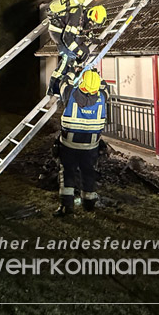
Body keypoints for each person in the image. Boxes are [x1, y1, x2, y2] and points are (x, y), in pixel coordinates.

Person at [54, 69, 109, 217]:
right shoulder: (103, 97)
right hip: (91, 147)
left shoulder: (70, 93)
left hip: (69, 145)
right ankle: (89, 204)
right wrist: (96, 75)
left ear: (82, 83)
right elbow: (104, 86)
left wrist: (74, 71)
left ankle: (67, 207)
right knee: (88, 172)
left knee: (67, 174)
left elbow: (64, 82)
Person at [47, 0, 107, 96]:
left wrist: (99, 41)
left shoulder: (84, 17)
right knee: (68, 56)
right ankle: (54, 87)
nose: (92, 25)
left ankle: (73, 71)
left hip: (66, 33)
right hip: (58, 32)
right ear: (91, 15)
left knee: (85, 51)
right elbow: (67, 38)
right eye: (93, 22)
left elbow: (88, 35)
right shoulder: (77, 15)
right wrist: (78, 52)